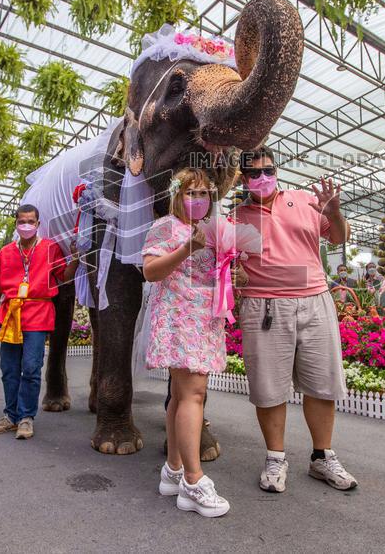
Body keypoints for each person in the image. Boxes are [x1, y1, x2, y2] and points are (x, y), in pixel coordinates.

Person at [234, 145, 358, 493]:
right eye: (255, 173)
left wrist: (334, 213)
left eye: (269, 171)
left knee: (322, 383)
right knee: (269, 388)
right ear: (244, 179)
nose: (263, 178)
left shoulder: (304, 200)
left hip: (315, 300)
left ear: (277, 172)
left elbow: (337, 236)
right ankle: (276, 457)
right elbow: (227, 265)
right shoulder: (235, 218)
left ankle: (322, 457)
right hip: (264, 308)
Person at [142, 168, 230, 518]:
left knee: (181, 395)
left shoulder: (213, 230)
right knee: (194, 394)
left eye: (204, 194)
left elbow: (214, 272)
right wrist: (187, 248)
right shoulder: (165, 227)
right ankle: (193, 483)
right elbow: (150, 271)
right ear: (177, 195)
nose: (198, 200)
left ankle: (173, 470)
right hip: (180, 321)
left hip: (204, 321)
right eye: (191, 194)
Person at [0, 204, 78, 441]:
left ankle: (25, 418)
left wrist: (76, 259)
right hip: (11, 315)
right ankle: (10, 416)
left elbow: (63, 277)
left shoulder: (51, 249)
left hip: (38, 312)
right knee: (9, 369)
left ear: (38, 224)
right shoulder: (5, 252)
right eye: (22, 221)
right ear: (16, 224)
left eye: (31, 221)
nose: (26, 225)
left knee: (31, 368)